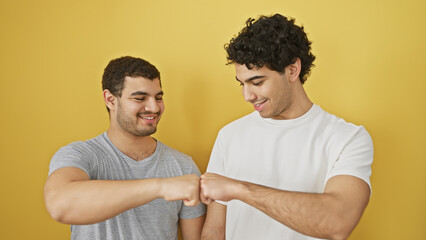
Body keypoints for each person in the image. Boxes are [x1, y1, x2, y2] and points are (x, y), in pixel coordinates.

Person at [200, 14, 373, 240]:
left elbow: (337, 222)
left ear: (292, 70)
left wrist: (240, 189)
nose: (247, 95)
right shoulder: (229, 135)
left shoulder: (347, 138)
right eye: (242, 84)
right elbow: (214, 229)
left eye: (258, 82)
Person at [44, 56, 206, 240]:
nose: (154, 107)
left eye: (158, 97)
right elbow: (60, 205)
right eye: (140, 98)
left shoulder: (183, 166)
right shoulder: (79, 155)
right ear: (110, 100)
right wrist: (161, 186)